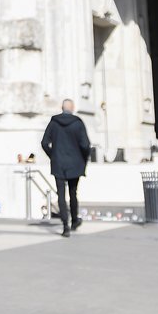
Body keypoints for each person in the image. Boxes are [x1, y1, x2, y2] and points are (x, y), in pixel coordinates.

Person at [41, 99, 92, 237]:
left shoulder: (54, 123)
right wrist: (83, 158)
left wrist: (53, 155)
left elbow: (45, 143)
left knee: (61, 196)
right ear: (73, 108)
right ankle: (74, 220)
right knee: (73, 193)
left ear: (61, 107)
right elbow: (86, 145)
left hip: (59, 163)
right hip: (75, 164)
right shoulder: (78, 123)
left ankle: (65, 226)